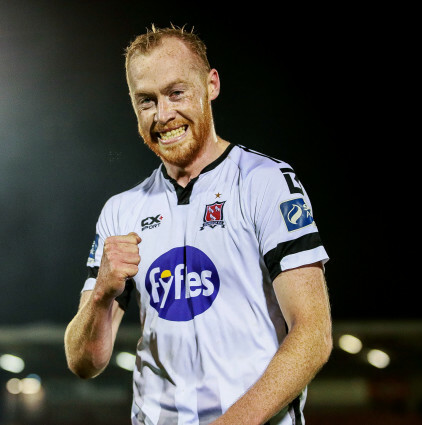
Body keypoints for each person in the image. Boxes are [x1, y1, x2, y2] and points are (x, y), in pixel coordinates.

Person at [64, 24, 332, 425]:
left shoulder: (265, 182)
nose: (164, 114)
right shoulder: (121, 211)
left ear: (211, 85)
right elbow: (83, 363)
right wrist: (102, 292)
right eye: (146, 101)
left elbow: (313, 335)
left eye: (176, 93)